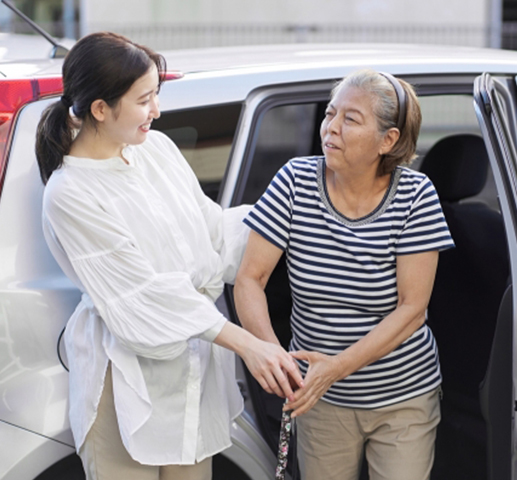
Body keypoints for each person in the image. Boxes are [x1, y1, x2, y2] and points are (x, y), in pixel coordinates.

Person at [36, 32, 302, 480]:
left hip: (194, 376)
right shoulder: (70, 192)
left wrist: (292, 212)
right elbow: (142, 294)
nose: (156, 112)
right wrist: (247, 344)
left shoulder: (154, 149)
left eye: (155, 96)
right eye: (144, 101)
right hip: (125, 386)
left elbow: (211, 230)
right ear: (100, 109)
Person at [235, 69, 455, 480]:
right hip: (319, 400)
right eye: (330, 114)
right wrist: (274, 356)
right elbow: (250, 279)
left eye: (350, 120)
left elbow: (413, 309)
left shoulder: (416, 195)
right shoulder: (295, 181)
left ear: (387, 140)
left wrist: (335, 368)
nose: (330, 129)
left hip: (402, 395)